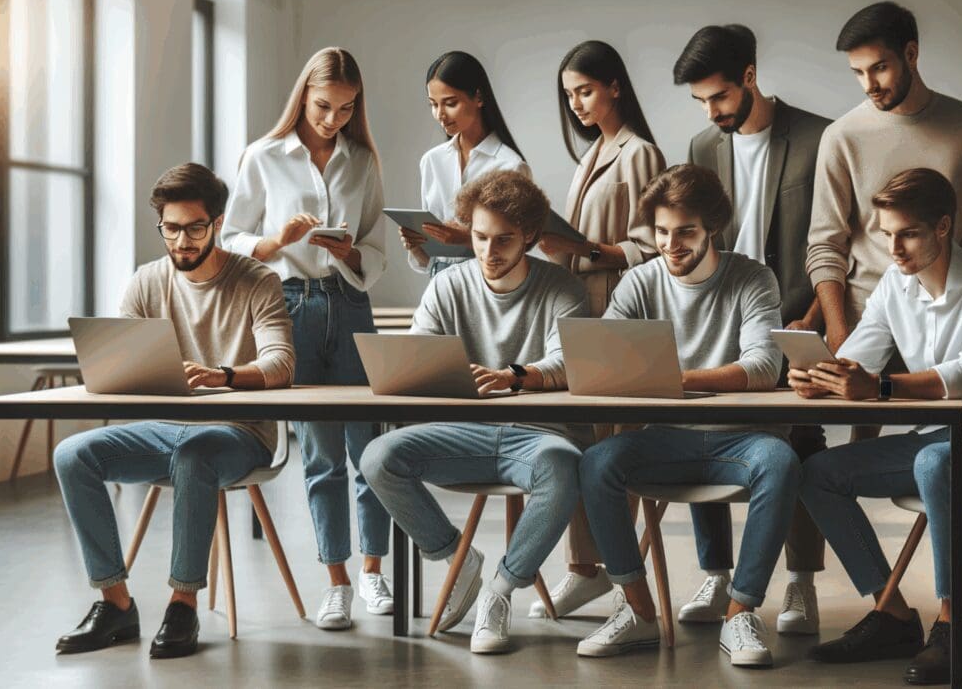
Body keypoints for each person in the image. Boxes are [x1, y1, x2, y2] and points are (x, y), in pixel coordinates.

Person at [794, 168, 962, 685]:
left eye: (907, 233)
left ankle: (953, 627)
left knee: (937, 462)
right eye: (886, 234)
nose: (894, 248)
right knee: (817, 472)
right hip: (937, 441)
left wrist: (883, 387)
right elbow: (859, 358)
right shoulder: (896, 284)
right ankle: (890, 614)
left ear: (943, 227)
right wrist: (821, 374)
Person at [53, 163, 295, 659]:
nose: (182, 240)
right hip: (165, 429)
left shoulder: (258, 280)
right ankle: (116, 605)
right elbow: (121, 359)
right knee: (72, 454)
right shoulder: (146, 282)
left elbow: (281, 363)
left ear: (218, 223)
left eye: (195, 228)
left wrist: (223, 375)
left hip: (240, 432)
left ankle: (182, 604)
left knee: (196, 455)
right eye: (171, 228)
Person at [575, 164, 805, 668]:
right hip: (666, 439)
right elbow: (605, 358)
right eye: (660, 232)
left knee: (782, 462)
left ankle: (740, 612)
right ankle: (637, 611)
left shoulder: (752, 277)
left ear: (713, 229)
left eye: (685, 232)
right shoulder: (639, 283)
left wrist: (673, 379)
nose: (670, 244)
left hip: (743, 441)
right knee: (597, 462)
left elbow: (764, 367)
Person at [360, 170, 589, 655]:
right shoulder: (448, 286)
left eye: (504, 240)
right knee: (378, 457)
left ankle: (498, 591)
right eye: (480, 237)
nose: (488, 252)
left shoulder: (562, 288)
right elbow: (418, 354)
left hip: (537, 435)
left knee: (564, 468)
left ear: (529, 235)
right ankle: (457, 559)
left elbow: (568, 360)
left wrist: (515, 376)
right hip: (461, 431)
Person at [221, 47, 393, 629]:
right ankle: (336, 579)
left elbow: (377, 253)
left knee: (370, 449)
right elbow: (234, 239)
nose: (333, 120)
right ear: (303, 97)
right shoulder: (263, 156)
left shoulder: (362, 160)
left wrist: (350, 252)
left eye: (346, 109)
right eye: (324, 106)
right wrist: (276, 241)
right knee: (320, 454)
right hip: (290, 304)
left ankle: (373, 570)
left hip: (349, 304)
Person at [672, 23, 833, 636]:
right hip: (720, 315)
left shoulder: (819, 138)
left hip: (796, 315)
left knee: (800, 442)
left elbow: (835, 239)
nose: (712, 113)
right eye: (701, 103)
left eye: (719, 97)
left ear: (749, 76)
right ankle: (716, 573)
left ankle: (800, 582)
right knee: (703, 422)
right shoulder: (702, 146)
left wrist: (812, 321)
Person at [532, 39, 667, 620]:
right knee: (586, 441)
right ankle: (584, 571)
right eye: (569, 95)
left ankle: (619, 577)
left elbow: (652, 249)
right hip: (581, 314)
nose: (577, 104)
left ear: (615, 85)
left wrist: (579, 246)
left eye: (585, 90)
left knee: (616, 446)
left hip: (621, 314)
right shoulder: (593, 155)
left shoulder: (641, 155)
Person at [807, 1, 962, 357]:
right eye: (857, 72)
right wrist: (838, 333)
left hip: (947, 325)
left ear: (911, 54)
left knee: (948, 412)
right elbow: (826, 245)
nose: (869, 85)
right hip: (864, 323)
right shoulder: (841, 136)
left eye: (879, 68)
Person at [399, 51, 530, 276]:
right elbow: (428, 261)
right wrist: (417, 243)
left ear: (478, 97)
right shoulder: (432, 161)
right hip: (439, 281)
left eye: (450, 103)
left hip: (489, 284)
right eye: (433, 104)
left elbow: (519, 247)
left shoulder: (510, 166)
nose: (440, 114)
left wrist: (467, 239)